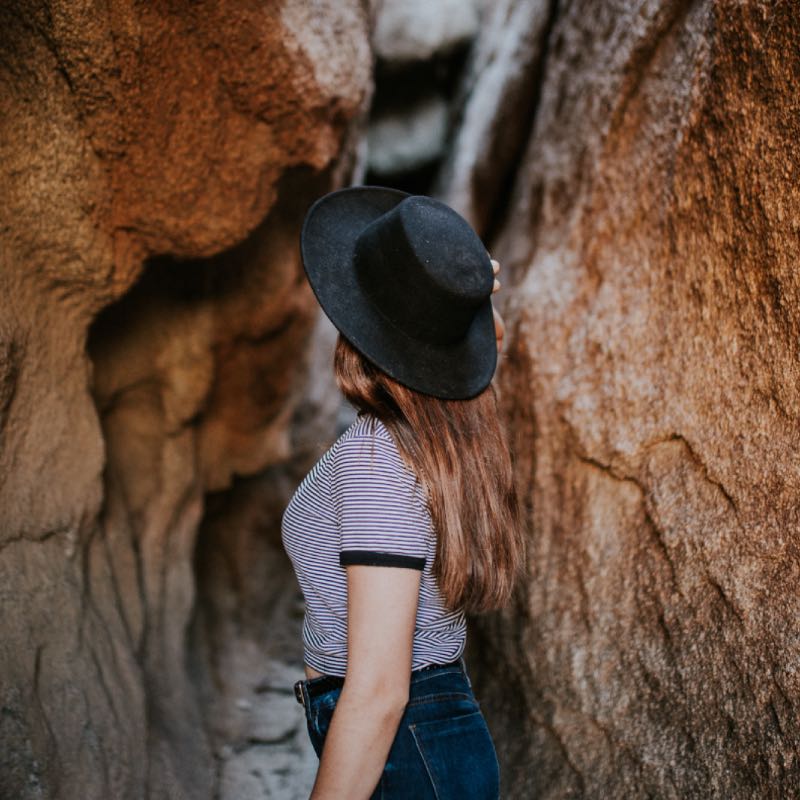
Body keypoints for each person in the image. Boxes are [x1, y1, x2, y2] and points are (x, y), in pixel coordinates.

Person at [281, 185, 525, 799]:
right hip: (429, 745)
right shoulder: (445, 434)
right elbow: (492, 345)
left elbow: (380, 691)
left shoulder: (377, 465)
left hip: (403, 750)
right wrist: (467, 298)